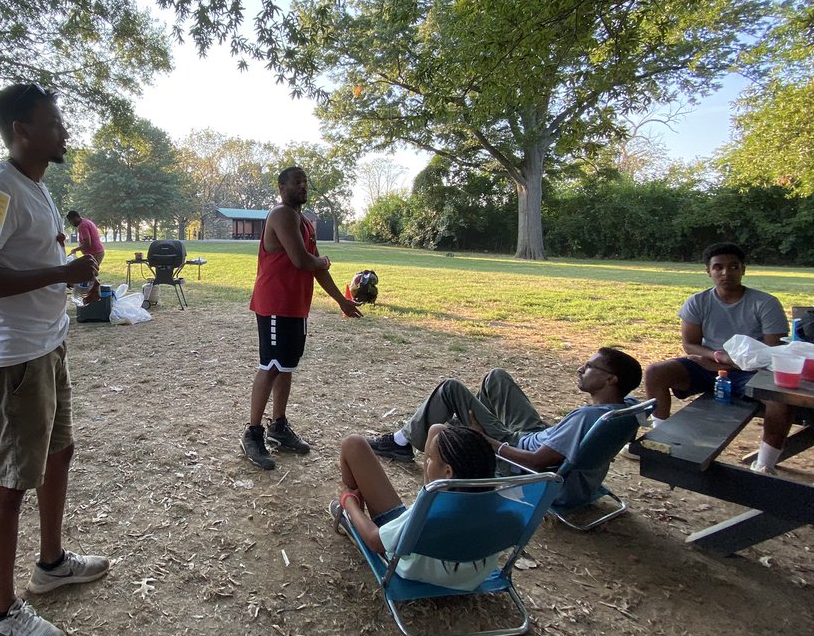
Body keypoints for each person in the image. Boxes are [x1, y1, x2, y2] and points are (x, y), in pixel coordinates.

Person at [0, 83, 109, 636]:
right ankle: (0, 613)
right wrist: (57, 275)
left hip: (47, 345)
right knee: (9, 480)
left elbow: (37, 261)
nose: (63, 130)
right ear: (22, 129)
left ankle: (50, 565)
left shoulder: (37, 190)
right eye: (53, 121)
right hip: (11, 359)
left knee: (58, 452)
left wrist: (72, 274)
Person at [368, 348, 642, 506]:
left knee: (450, 388)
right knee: (495, 378)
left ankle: (403, 441)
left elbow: (536, 463)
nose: (581, 369)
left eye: (590, 366)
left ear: (611, 380)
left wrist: (486, 441)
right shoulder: (627, 408)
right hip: (539, 436)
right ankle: (458, 425)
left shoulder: (586, 418)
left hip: (521, 455)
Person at [241, 166, 363, 470]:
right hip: (275, 304)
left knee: (285, 367)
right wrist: (321, 259)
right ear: (282, 188)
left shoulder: (304, 222)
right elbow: (302, 260)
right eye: (297, 182)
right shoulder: (281, 214)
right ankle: (252, 434)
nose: (303, 186)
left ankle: (278, 427)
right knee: (270, 366)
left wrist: (341, 301)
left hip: (295, 306)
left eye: (305, 182)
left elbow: (316, 268)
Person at [640, 242, 788, 473]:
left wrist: (731, 361)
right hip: (708, 365)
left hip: (752, 371)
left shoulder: (765, 303)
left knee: (781, 401)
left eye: (733, 266)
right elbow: (690, 344)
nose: (725, 273)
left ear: (743, 269)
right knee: (655, 372)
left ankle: (765, 464)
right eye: (718, 267)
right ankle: (659, 437)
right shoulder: (698, 302)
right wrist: (716, 356)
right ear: (708, 271)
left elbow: (773, 351)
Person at [331, 425, 500, 590]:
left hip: (415, 563)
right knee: (437, 430)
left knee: (353, 444)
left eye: (430, 458)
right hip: (467, 576)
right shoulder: (500, 507)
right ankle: (434, 479)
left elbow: (375, 541)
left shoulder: (430, 513)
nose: (426, 461)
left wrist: (349, 503)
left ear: (448, 472)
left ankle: (350, 521)